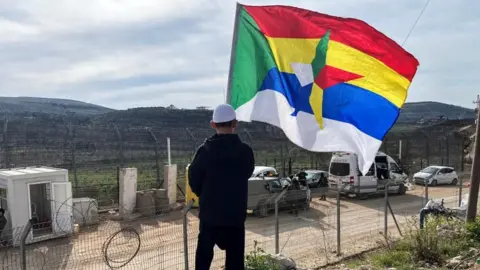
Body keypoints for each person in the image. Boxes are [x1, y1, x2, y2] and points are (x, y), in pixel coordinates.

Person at [188, 104, 255, 270]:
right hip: (235, 217)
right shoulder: (245, 151)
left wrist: (205, 193)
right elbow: (247, 173)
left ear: (213, 124)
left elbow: (194, 179)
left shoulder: (204, 151)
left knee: (203, 258)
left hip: (210, 216)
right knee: (235, 261)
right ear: (235, 123)